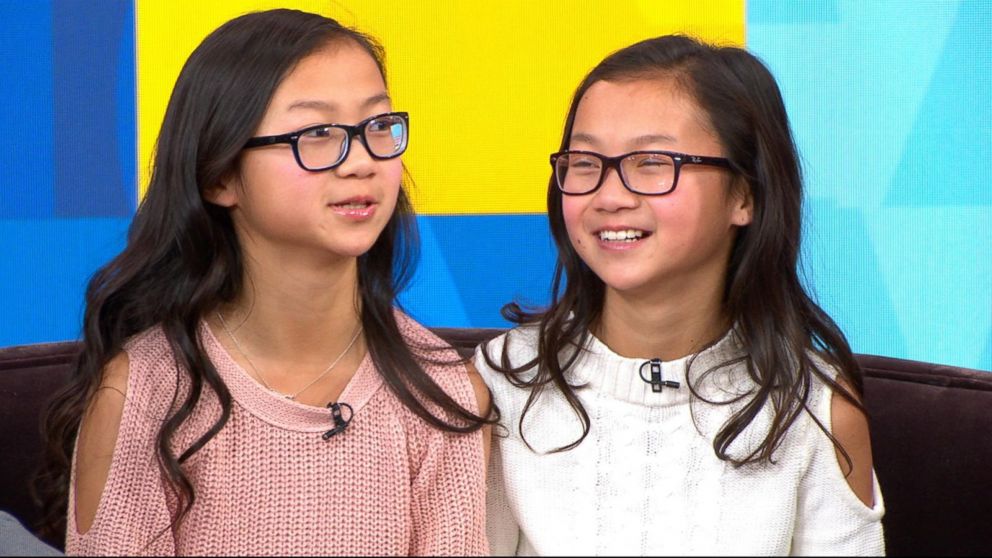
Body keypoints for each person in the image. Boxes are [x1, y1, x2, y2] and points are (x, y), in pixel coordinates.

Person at [38, 9, 492, 556]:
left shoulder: (441, 394)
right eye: (318, 133)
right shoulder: (143, 394)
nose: (363, 161)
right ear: (220, 175)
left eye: (378, 126)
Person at [476, 35, 885, 555]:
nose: (609, 196)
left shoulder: (817, 409)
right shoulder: (498, 387)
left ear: (745, 194)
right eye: (583, 163)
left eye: (651, 162)